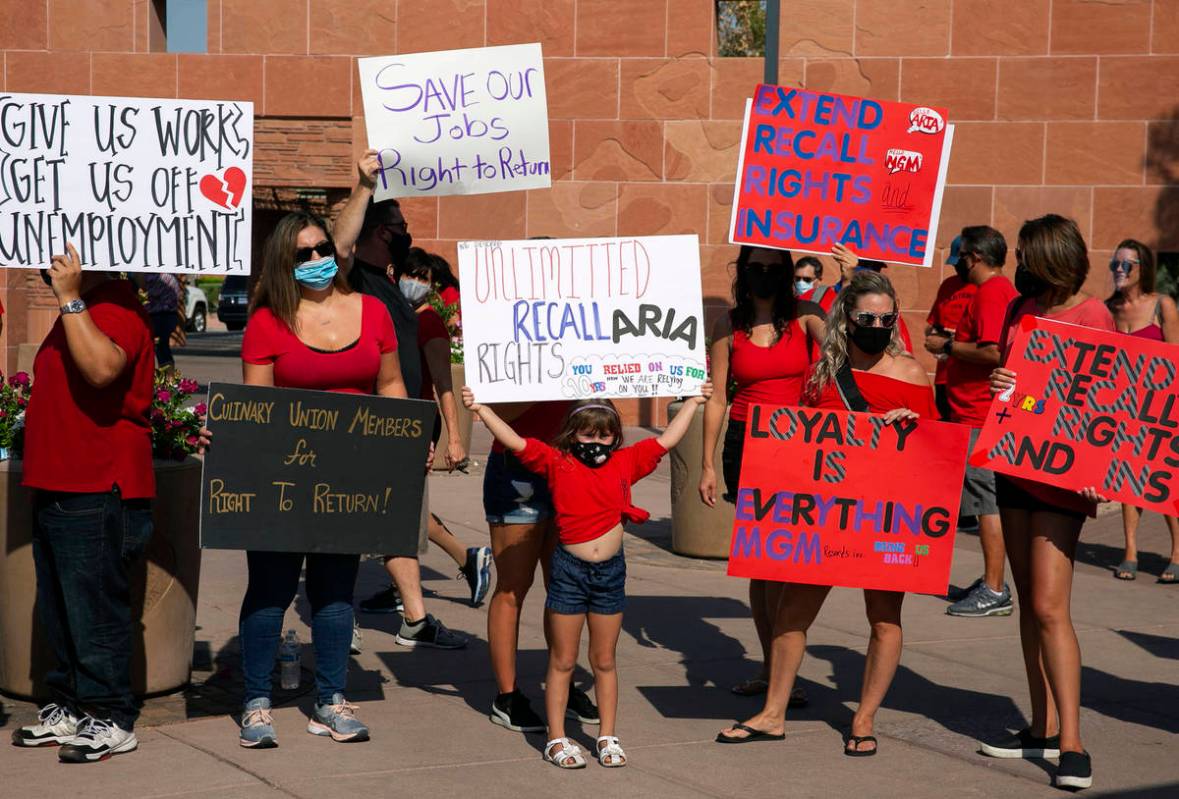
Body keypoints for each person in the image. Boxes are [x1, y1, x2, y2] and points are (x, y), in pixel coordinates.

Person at [715, 271, 935, 754]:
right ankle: (773, 713)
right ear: (847, 318)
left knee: (883, 617)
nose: (876, 324)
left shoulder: (912, 373)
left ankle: (864, 718)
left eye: (885, 317)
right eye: (866, 316)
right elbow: (804, 443)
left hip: (882, 514)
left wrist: (913, 424)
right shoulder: (824, 372)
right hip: (828, 514)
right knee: (791, 613)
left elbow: (934, 452)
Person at [463, 385, 713, 768]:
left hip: (610, 575)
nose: (595, 442)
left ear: (615, 436)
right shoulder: (557, 463)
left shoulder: (625, 462)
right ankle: (557, 737)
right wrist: (480, 408)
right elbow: (516, 442)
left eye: (604, 435)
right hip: (569, 572)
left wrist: (694, 402)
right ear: (571, 434)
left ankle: (607, 736)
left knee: (604, 660)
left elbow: (666, 440)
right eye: (587, 434)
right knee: (563, 661)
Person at [235, 209, 410, 748]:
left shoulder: (374, 312)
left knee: (336, 595)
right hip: (284, 480)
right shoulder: (267, 323)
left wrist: (405, 441)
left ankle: (331, 700)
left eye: (322, 250)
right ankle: (256, 701)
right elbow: (255, 407)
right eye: (302, 255)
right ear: (284, 265)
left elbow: (392, 384)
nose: (316, 260)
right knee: (270, 591)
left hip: (351, 480)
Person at [982, 214, 1115, 791]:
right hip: (1015, 464)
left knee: (1050, 606)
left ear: (1054, 257)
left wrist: (1102, 469)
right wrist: (1000, 386)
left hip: (1066, 477)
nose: (1020, 266)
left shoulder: (1094, 315)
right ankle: (1040, 726)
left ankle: (1072, 744)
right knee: (1030, 606)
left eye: (1027, 256)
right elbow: (1014, 375)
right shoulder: (1021, 308)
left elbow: (1112, 399)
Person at [13, 245, 155, 762]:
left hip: (97, 487)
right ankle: (71, 706)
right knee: (62, 611)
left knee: (94, 614)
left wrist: (70, 297)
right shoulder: (88, 306)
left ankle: (111, 716)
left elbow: (101, 370)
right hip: (62, 485)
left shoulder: (114, 304)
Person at [337, 152, 465, 649]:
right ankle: (336, 613)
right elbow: (343, 243)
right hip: (362, 428)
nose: (406, 233)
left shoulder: (393, 284)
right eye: (399, 226)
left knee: (400, 524)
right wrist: (364, 187)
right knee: (347, 523)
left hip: (402, 430)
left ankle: (415, 617)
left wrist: (426, 432)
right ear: (379, 231)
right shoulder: (351, 278)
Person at [698, 245, 826, 701]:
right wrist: (708, 463)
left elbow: (843, 345)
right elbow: (717, 397)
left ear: (788, 273)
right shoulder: (727, 326)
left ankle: (781, 671)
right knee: (761, 559)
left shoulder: (807, 317)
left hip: (798, 444)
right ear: (743, 273)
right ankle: (773, 669)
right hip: (745, 444)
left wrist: (851, 281)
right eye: (757, 268)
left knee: (785, 560)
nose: (765, 276)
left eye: (775, 269)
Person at [924, 226, 1017, 618]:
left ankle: (995, 588)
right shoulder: (993, 292)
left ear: (974, 256)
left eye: (962, 256)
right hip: (970, 410)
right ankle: (992, 581)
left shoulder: (994, 292)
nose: (959, 262)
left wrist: (947, 346)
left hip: (979, 412)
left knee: (986, 503)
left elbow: (995, 351)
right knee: (983, 500)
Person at [395, 246, 492, 604]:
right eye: (412, 275)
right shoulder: (393, 316)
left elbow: (443, 384)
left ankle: (467, 557)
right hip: (388, 422)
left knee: (404, 508)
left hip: (418, 423)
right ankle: (403, 585)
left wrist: (455, 439)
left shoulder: (428, 321)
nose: (416, 283)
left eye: (424, 279)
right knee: (399, 507)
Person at [1105, 239, 1179, 583]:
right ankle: (1130, 550)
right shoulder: (1109, 310)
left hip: (1160, 408)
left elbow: (1175, 361)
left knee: (1165, 482)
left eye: (1126, 265)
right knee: (1127, 482)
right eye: (1114, 265)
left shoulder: (1162, 305)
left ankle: (1177, 552)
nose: (1119, 271)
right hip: (1123, 409)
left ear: (1142, 268)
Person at [925, 236, 978, 421]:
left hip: (970, 381)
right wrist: (933, 338)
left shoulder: (985, 289)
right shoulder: (948, 285)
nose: (956, 268)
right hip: (944, 377)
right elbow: (933, 324)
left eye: (959, 263)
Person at [144, 273, 182, 370]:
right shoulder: (172, 277)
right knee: (162, 348)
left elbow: (146, 293)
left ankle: (167, 379)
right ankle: (168, 379)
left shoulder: (155, 277)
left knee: (159, 348)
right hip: (169, 315)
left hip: (158, 316)